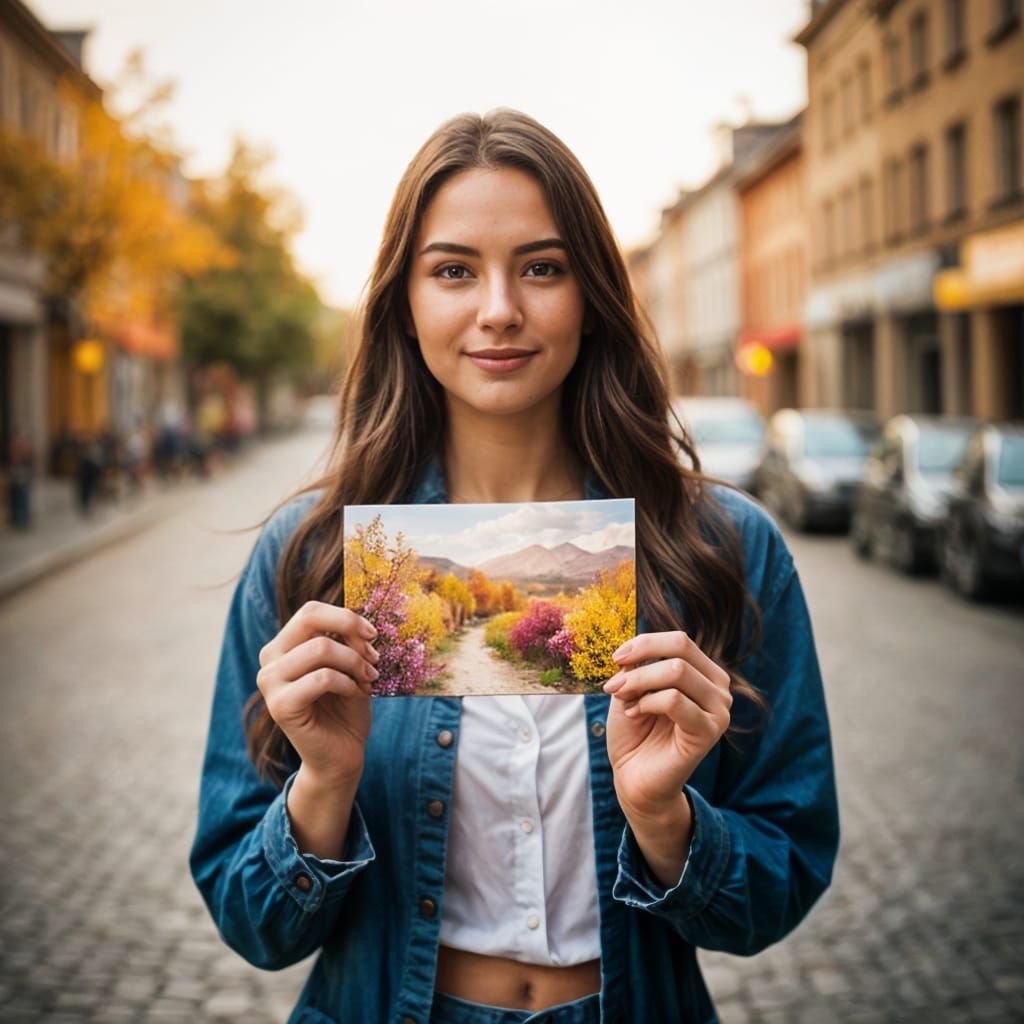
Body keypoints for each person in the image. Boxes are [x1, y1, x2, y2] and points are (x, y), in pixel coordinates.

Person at [190, 109, 839, 1024]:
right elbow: (252, 922)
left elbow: (779, 886)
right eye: (454, 270)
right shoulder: (312, 557)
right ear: (405, 307)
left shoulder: (723, 549)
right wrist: (323, 786)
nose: (499, 308)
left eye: (542, 267)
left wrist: (665, 816)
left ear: (592, 296)